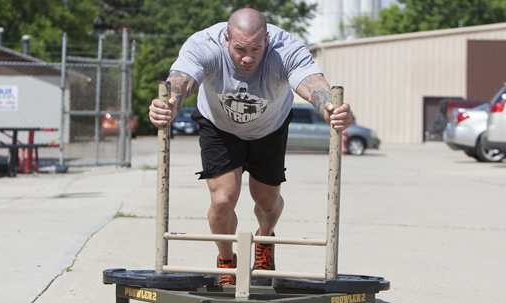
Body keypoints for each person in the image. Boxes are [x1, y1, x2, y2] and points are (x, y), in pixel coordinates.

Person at [148, 8, 353, 286]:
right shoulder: (204, 44)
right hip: (219, 126)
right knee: (223, 200)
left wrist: (330, 107)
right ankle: (227, 261)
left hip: (269, 127)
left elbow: (311, 82)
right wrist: (168, 104)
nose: (248, 58)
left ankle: (265, 239)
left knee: (266, 202)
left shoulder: (285, 48)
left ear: (267, 39)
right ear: (225, 39)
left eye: (256, 48)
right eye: (240, 49)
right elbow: (181, 80)